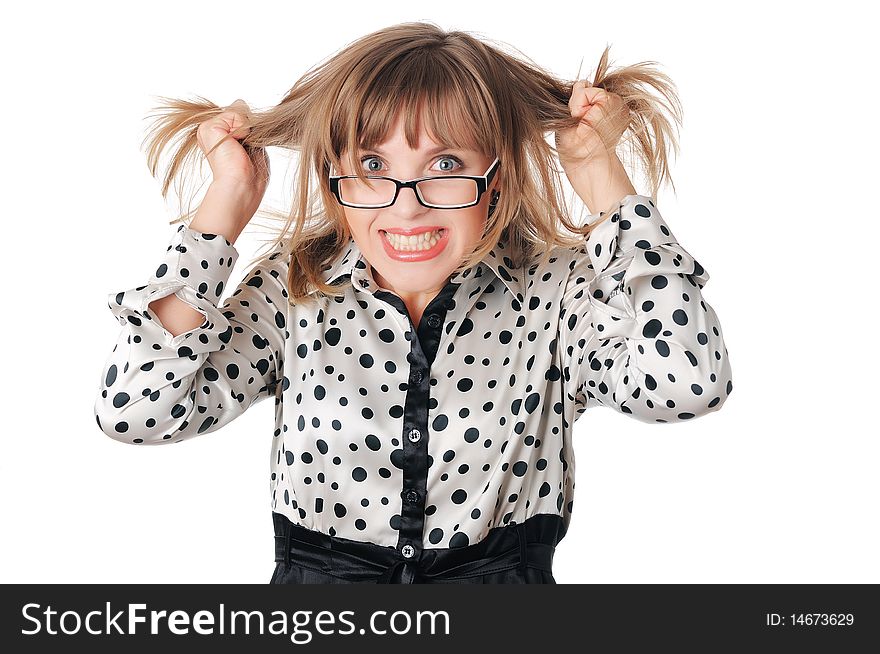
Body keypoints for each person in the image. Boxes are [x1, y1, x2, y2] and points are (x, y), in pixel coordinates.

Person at [94, 21, 733, 584]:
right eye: (373, 165)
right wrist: (221, 216)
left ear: (497, 177)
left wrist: (601, 177)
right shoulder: (296, 289)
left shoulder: (555, 293)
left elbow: (687, 382)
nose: (406, 203)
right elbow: (139, 412)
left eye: (445, 163)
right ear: (333, 179)